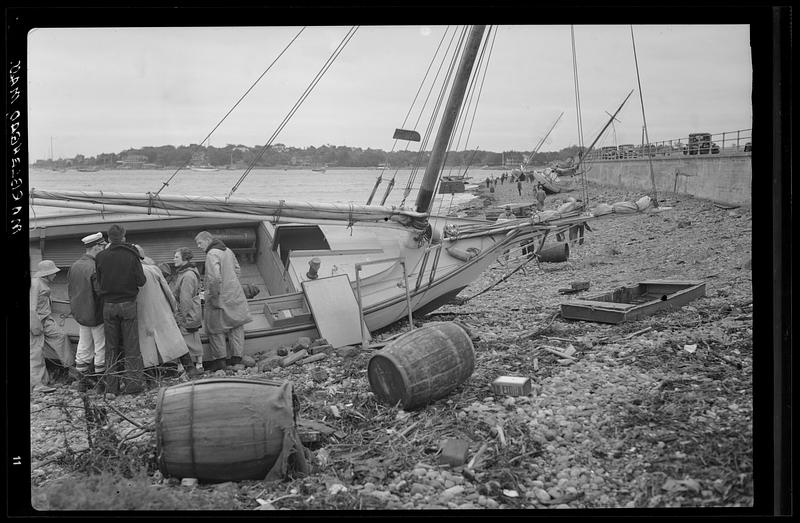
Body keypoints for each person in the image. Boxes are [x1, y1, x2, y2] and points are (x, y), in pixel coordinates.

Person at [94, 224, 147, 395]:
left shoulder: (100, 256)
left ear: (108, 239)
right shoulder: (131, 255)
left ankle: (112, 387)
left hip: (108, 306)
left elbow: (99, 283)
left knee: (111, 347)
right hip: (128, 304)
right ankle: (133, 386)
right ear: (123, 237)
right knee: (131, 345)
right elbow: (141, 281)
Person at [134, 246, 201, 379]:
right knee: (176, 342)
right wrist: (174, 309)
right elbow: (169, 293)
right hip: (162, 312)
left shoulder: (130, 272)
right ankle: (191, 370)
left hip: (142, 315)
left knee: (147, 348)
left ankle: (152, 379)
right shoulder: (153, 269)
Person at [195, 230, 253, 371]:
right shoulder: (228, 250)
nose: (198, 246)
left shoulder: (211, 254)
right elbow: (237, 269)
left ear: (208, 240)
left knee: (215, 328)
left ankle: (220, 361)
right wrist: (231, 285)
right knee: (236, 326)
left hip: (219, 297)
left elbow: (214, 278)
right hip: (234, 296)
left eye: (199, 243)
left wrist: (213, 296)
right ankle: (237, 359)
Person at [67, 232, 108, 392]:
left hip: (80, 315)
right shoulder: (94, 266)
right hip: (96, 314)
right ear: (97, 247)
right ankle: (101, 386)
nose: (103, 249)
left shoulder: (75, 265)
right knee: (101, 347)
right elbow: (100, 292)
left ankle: (82, 383)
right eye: (102, 247)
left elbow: (70, 290)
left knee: (84, 347)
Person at [30, 260, 75, 394]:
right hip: (36, 321)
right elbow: (32, 308)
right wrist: (35, 325)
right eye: (53, 273)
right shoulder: (35, 284)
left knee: (61, 337)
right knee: (36, 352)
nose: (55, 275)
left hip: (46, 320)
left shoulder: (43, 283)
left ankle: (71, 369)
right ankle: (38, 384)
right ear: (47, 274)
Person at [170, 247, 205, 372]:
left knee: (186, 338)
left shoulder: (187, 276)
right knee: (193, 336)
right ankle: (199, 364)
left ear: (184, 259)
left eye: (176, 257)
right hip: (193, 312)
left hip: (188, 313)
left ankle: (186, 367)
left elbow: (185, 299)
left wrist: (181, 316)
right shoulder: (189, 272)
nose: (173, 259)